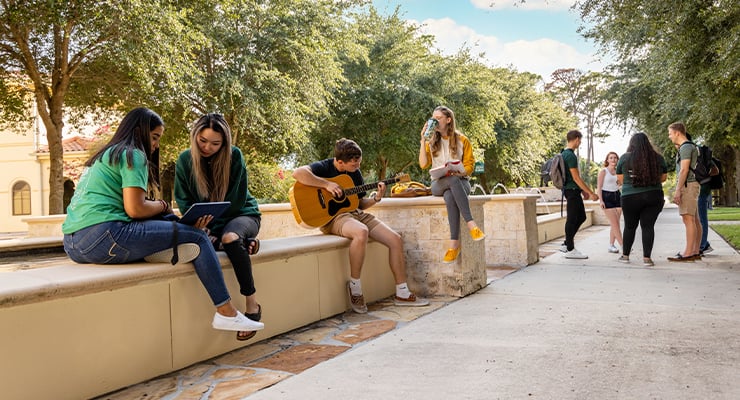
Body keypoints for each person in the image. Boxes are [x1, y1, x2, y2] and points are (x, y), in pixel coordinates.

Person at [61, 108, 264, 334]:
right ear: (140, 131)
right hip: (106, 236)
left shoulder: (104, 155)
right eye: (155, 137)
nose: (156, 145)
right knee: (196, 237)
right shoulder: (133, 154)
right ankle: (226, 312)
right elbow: (136, 209)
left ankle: (195, 247)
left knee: (173, 230)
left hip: (74, 245)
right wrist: (163, 205)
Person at [292, 138, 429, 313]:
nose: (357, 168)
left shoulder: (355, 173)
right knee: (361, 232)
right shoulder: (325, 167)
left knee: (395, 239)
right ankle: (355, 287)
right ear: (340, 162)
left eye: (359, 163)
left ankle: (402, 293)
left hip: (355, 214)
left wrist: (376, 198)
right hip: (335, 218)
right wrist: (326, 184)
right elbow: (298, 173)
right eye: (353, 165)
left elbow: (358, 203)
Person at [174, 113, 263, 341]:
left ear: (224, 143)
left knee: (231, 238)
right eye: (203, 141)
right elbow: (183, 201)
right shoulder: (185, 160)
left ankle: (252, 305)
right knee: (202, 242)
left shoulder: (234, 156)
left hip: (242, 215)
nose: (207, 147)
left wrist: (213, 231)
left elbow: (237, 201)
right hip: (207, 222)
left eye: (215, 143)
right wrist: (200, 225)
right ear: (195, 137)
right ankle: (243, 245)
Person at [418, 106, 486, 263]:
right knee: (450, 183)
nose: (434, 121)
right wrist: (423, 140)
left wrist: (460, 171)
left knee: (450, 195)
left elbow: (470, 166)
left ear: (448, 120)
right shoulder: (431, 142)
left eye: (438, 118)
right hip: (438, 184)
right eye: (432, 118)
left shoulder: (462, 140)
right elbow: (423, 164)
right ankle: (471, 225)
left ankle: (454, 244)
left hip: (461, 181)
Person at [615, 133, 668, 266]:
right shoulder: (658, 158)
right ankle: (647, 259)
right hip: (653, 196)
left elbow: (621, 180)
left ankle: (625, 255)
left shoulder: (624, 158)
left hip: (630, 197)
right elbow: (663, 178)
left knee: (630, 226)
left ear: (631, 143)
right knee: (648, 227)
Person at [561, 129, 599, 259]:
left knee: (581, 216)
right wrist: (591, 192)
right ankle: (570, 249)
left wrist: (582, 190)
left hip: (571, 190)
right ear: (577, 139)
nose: (580, 143)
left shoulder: (563, 153)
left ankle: (567, 243)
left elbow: (572, 178)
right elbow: (576, 178)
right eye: (580, 140)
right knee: (572, 219)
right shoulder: (570, 156)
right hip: (571, 191)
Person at [667, 123, 701, 261]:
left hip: (688, 185)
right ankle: (695, 251)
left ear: (677, 133)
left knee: (688, 219)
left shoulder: (686, 147)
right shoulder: (690, 146)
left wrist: (678, 190)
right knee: (694, 220)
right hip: (693, 184)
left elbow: (684, 170)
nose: (669, 137)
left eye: (670, 133)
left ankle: (688, 253)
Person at [596, 151, 623, 253]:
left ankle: (611, 245)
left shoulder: (618, 172)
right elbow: (599, 187)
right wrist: (601, 201)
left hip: (617, 196)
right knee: (615, 223)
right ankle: (623, 245)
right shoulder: (603, 171)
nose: (613, 159)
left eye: (615, 158)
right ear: (607, 160)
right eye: (611, 158)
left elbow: (620, 185)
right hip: (606, 196)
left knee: (615, 224)